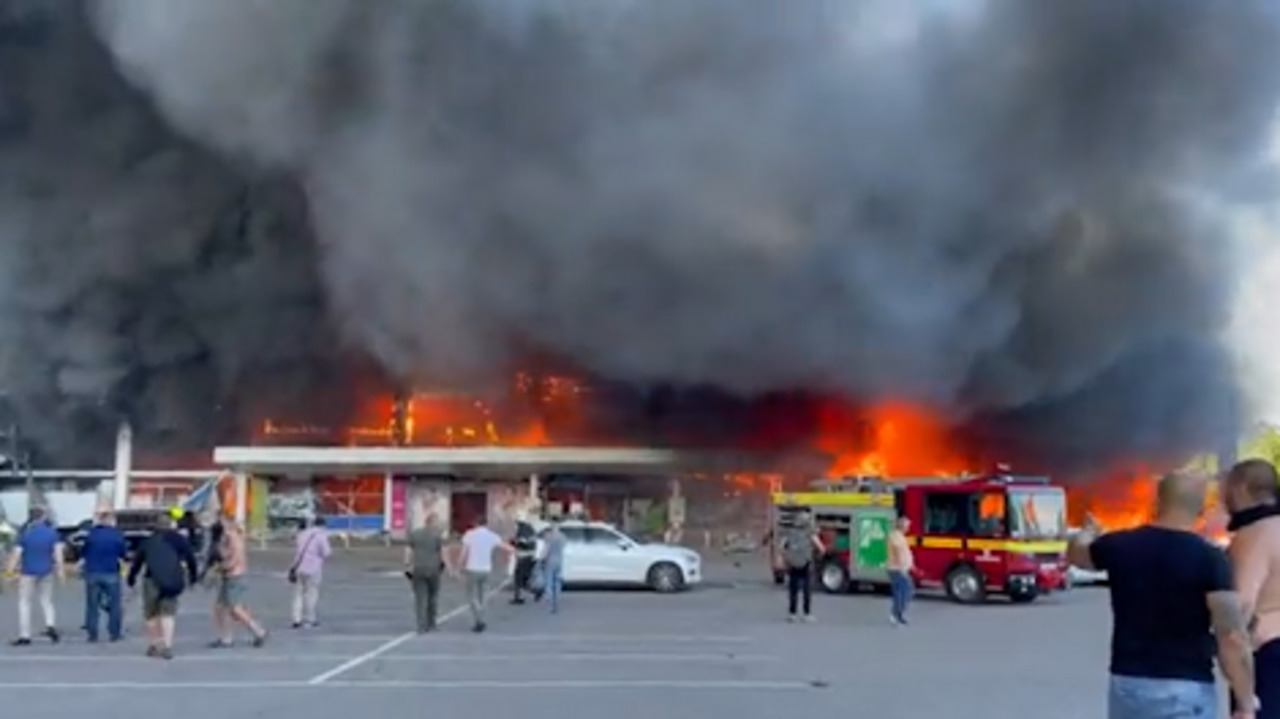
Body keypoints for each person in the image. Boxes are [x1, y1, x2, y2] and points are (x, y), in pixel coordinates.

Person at [1068, 471, 1257, 719]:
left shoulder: (1120, 545)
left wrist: (1087, 531)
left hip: (1129, 683)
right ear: (1201, 510)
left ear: (1156, 504)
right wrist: (1245, 702)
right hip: (1187, 686)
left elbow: (1078, 555)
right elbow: (1232, 637)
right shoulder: (1210, 559)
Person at [1223, 458, 1280, 719]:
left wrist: (1243, 695)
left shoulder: (1253, 536)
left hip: (1270, 655)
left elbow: (1240, 610)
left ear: (1240, 488)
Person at [126, 513, 199, 659]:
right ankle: (167, 645)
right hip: (171, 579)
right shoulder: (179, 540)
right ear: (170, 525)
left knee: (151, 614)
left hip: (151, 580)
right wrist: (193, 577)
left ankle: (154, 644)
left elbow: (137, 563)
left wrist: (131, 579)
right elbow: (191, 559)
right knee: (168, 614)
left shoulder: (148, 541)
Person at [6, 507, 65, 645]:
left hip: (28, 572)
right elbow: (58, 554)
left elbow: (16, 554)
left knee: (24, 603)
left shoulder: (25, 534)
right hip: (46, 571)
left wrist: (10, 572)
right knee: (47, 601)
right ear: (43, 517)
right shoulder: (52, 533)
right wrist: (61, 571)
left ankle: (25, 635)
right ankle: (50, 626)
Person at [210, 519, 268, 647]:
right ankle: (226, 638)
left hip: (234, 576)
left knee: (235, 608)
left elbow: (235, 559)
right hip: (230, 576)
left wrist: (220, 567)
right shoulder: (229, 538)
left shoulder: (233, 539)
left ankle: (258, 631)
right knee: (220, 608)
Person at [457, 517, 514, 633]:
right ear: (486, 524)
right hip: (486, 569)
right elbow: (508, 548)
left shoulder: (469, 535)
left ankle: (477, 616)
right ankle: (481, 614)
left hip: (472, 568)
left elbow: (463, 553)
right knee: (483, 594)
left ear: (475, 523)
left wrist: (459, 567)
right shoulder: (492, 536)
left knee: (471, 595)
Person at [80, 510, 128, 643]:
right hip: (111, 571)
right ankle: (114, 633)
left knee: (92, 605)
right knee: (114, 604)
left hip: (92, 571)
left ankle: (92, 633)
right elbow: (123, 553)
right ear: (112, 521)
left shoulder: (92, 534)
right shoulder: (117, 535)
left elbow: (84, 551)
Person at [404, 513, 447, 633]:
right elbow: (443, 552)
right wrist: (445, 565)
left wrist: (407, 565)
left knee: (420, 598)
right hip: (433, 569)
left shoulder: (415, 534)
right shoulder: (437, 536)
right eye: (438, 522)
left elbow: (408, 551)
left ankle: (421, 625)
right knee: (433, 597)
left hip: (418, 569)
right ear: (433, 522)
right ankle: (431, 623)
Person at [780, 512, 823, 623]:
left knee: (793, 589)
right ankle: (806, 614)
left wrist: (785, 558)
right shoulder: (809, 532)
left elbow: (782, 546)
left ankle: (792, 613)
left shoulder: (791, 532)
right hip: (806, 563)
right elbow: (821, 548)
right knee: (806, 589)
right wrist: (819, 554)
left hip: (793, 563)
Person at [290, 517, 331, 629]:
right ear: (323, 525)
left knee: (298, 594)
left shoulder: (302, 534)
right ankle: (310, 618)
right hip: (313, 568)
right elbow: (326, 553)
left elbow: (298, 549)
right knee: (311, 593)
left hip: (299, 567)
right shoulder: (321, 536)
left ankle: (296, 619)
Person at [886, 515, 914, 626]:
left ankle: (898, 614)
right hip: (897, 569)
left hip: (900, 568)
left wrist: (910, 565)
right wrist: (902, 567)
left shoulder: (900, 536)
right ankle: (896, 615)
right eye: (907, 526)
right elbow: (897, 551)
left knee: (903, 592)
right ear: (902, 526)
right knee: (903, 592)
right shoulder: (896, 537)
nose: (909, 528)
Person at [541, 520, 567, 614]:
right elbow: (564, 547)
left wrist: (542, 558)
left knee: (549, 580)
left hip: (550, 560)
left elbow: (545, 549)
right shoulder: (562, 536)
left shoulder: (548, 536)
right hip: (559, 560)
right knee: (557, 581)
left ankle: (549, 597)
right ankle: (556, 600)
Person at [510, 519, 537, 605]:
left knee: (518, 578)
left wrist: (515, 543)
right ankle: (534, 592)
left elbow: (522, 544)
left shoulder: (522, 534)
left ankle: (518, 597)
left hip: (522, 557)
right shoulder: (532, 533)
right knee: (524, 579)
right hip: (529, 557)